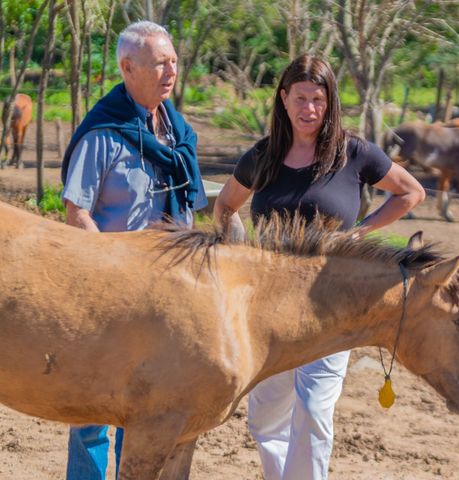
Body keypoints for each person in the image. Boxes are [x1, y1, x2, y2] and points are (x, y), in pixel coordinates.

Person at [214, 54, 424, 480]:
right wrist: (238, 255)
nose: (309, 109)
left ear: (330, 103)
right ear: (284, 99)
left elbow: (410, 192)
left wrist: (359, 234)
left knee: (312, 410)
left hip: (330, 305)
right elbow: (224, 206)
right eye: (301, 98)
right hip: (267, 308)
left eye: (318, 99)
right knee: (265, 418)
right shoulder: (262, 156)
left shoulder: (353, 153)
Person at [60, 20, 206, 480]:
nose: (171, 71)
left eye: (174, 61)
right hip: (110, 297)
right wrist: (112, 278)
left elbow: (190, 212)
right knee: (92, 412)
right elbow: (76, 213)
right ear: (127, 67)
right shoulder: (103, 132)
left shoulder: (177, 132)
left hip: (167, 300)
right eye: (160, 63)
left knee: (150, 407)